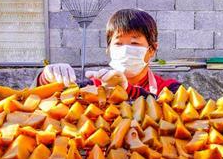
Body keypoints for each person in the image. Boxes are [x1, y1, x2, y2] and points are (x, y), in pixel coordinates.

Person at [36, 8, 180, 99]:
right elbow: (42, 101)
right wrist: (46, 78)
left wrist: (127, 89)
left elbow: (172, 109)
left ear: (152, 49)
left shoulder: (171, 89)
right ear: (108, 49)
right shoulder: (92, 87)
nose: (125, 50)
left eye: (134, 43)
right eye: (118, 43)